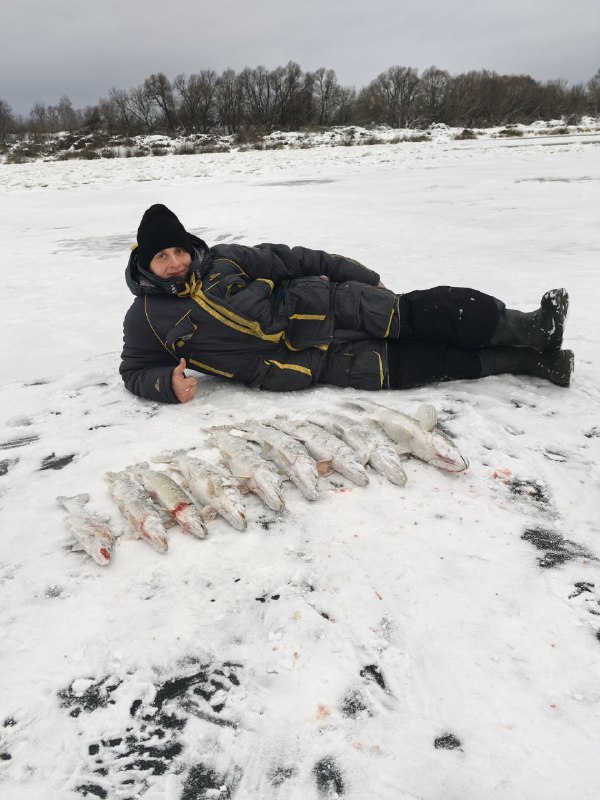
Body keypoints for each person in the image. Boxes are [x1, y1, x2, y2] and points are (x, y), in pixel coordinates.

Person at [120, 204, 574, 404]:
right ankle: (529, 364)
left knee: (434, 311)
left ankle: (531, 328)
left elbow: (298, 258)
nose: (176, 263)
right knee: (427, 362)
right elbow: (134, 370)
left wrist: (360, 274)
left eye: (179, 251)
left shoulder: (224, 259)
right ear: (145, 262)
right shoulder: (146, 320)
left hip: (333, 306)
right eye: (163, 256)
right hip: (313, 363)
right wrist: (165, 384)